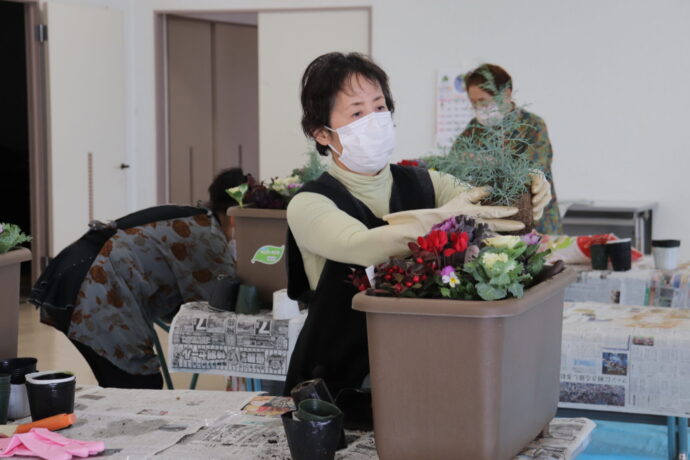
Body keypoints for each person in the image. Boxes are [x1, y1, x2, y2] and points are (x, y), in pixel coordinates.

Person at [283, 52, 553, 398]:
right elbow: (360, 245)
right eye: (357, 113)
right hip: (334, 388)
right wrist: (441, 218)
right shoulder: (310, 203)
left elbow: (489, 209)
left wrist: (526, 191)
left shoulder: (426, 183)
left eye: (379, 107)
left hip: (416, 373)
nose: (374, 120)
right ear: (321, 133)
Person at [30, 168, 245, 389]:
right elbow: (222, 304)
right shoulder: (209, 237)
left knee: (123, 384)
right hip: (94, 287)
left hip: (72, 274)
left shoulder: (195, 218)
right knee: (140, 384)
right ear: (236, 215)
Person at [452, 63, 562, 234]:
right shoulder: (474, 129)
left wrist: (488, 164)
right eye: (474, 103)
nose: (479, 108)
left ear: (506, 94)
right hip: (491, 224)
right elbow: (454, 165)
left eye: (483, 101)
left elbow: (533, 170)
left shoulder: (532, 125)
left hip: (536, 221)